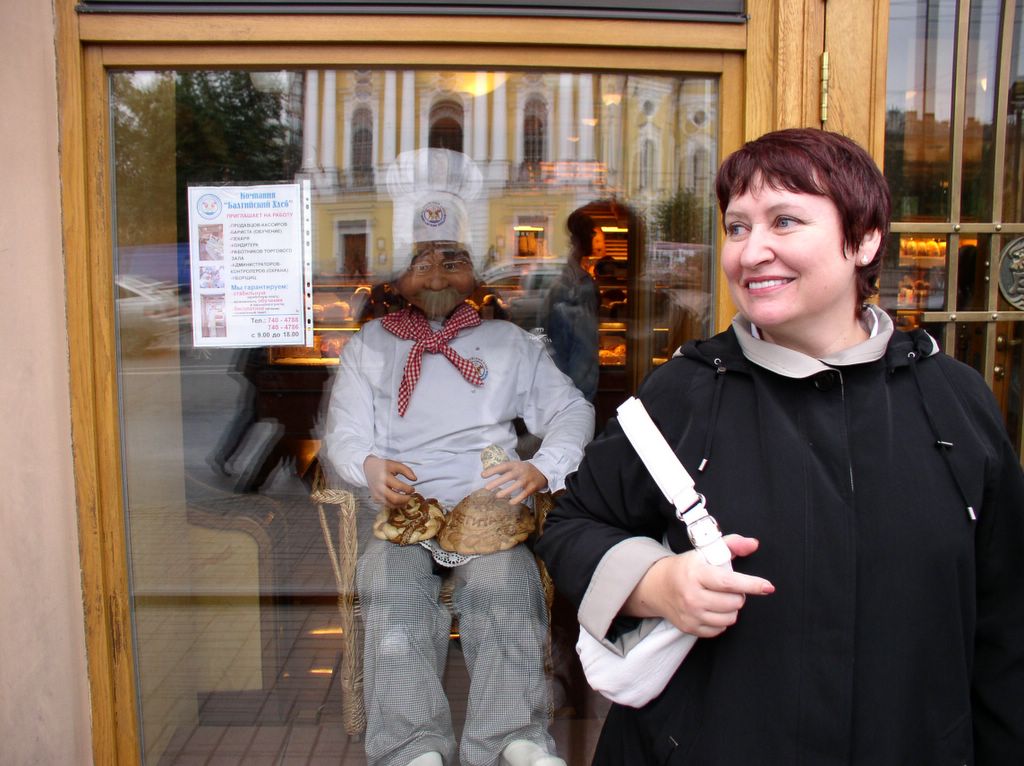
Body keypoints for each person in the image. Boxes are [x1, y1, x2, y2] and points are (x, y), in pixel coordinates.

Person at [536, 128, 1024, 764]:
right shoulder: (684, 392)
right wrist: (655, 583)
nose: (751, 251)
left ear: (865, 239)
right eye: (737, 227)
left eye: (785, 221)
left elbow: (1006, 626)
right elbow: (572, 525)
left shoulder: (953, 399)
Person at [322, 156, 595, 766]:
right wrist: (367, 466)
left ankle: (511, 738)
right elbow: (344, 432)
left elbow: (572, 410)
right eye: (422, 262)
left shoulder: (509, 343)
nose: (437, 275)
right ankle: (411, 745)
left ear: (473, 272)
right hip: (401, 514)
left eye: (452, 260)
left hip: (486, 512)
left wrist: (545, 467)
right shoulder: (370, 346)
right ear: (401, 275)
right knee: (389, 585)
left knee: (507, 583)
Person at [543, 208, 601, 401]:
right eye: (592, 234)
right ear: (581, 238)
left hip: (572, 380)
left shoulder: (573, 278)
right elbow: (572, 342)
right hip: (575, 382)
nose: (594, 239)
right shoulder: (574, 284)